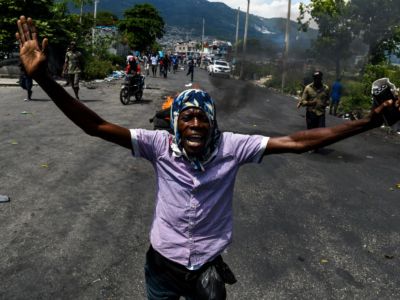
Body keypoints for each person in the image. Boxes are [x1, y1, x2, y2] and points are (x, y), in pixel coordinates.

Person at [16, 16, 400, 300]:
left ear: (213, 123)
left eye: (203, 116)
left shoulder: (232, 146)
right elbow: (96, 126)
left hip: (208, 270)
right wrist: (46, 79)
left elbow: (299, 142)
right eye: (187, 117)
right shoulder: (157, 145)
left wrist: (368, 121)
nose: (196, 123)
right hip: (162, 269)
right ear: (175, 123)